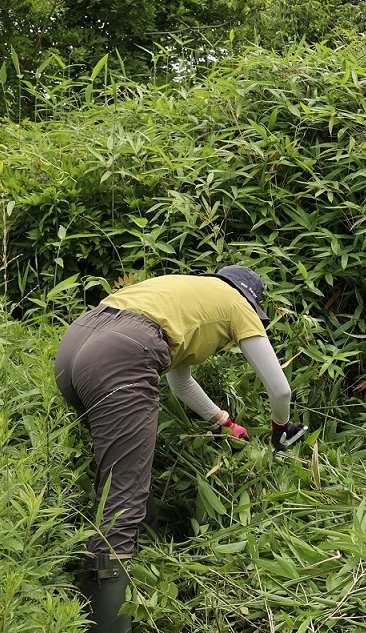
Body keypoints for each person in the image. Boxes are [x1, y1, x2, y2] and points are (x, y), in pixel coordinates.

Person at [53, 264, 308, 632]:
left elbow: (181, 382)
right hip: (121, 354)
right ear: (252, 300)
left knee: (123, 467)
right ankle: (106, 624)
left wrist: (224, 421)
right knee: (122, 498)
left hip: (76, 343)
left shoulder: (186, 293)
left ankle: (149, 543)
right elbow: (280, 388)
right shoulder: (239, 305)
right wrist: (281, 427)